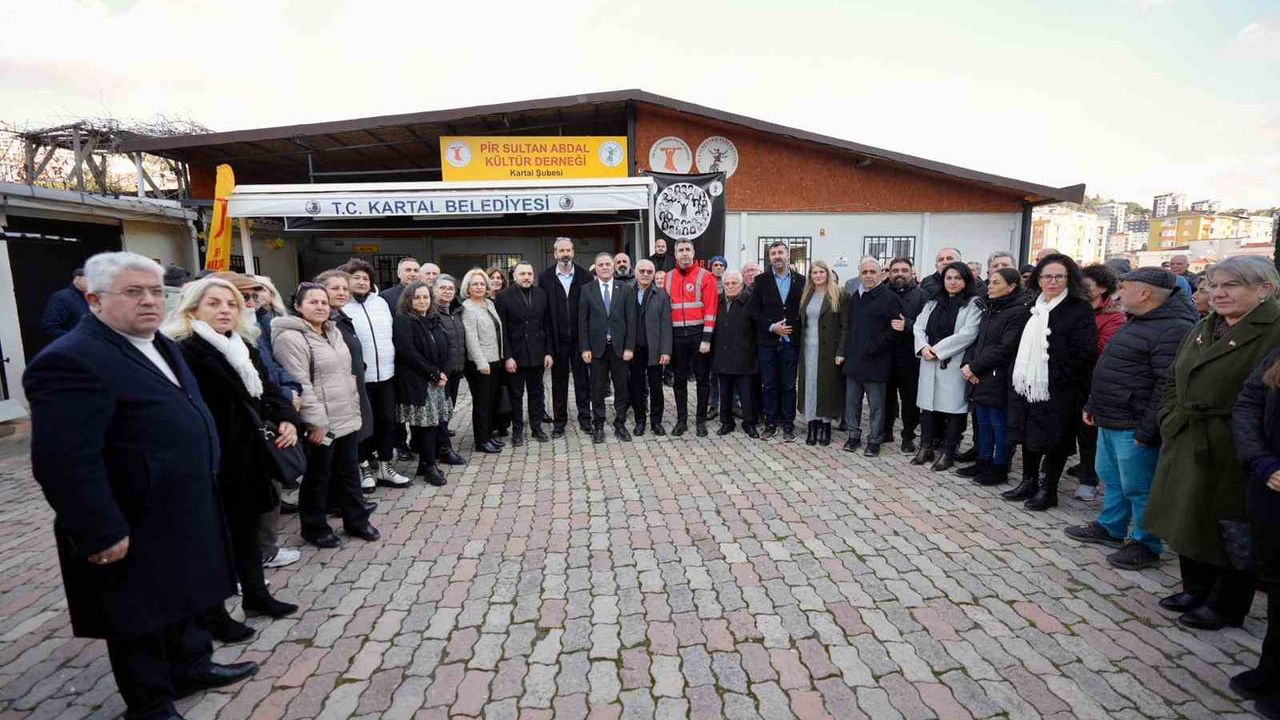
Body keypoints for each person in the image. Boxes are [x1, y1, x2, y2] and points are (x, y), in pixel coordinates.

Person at [24, 252, 258, 720]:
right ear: (94, 300)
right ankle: (150, 703)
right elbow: (64, 460)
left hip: (183, 503)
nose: (149, 301)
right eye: (133, 292)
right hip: (130, 513)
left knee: (186, 591)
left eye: (155, 291)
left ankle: (192, 665)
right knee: (138, 614)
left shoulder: (160, 344)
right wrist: (100, 530)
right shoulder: (70, 360)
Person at [1144, 256, 1280, 631]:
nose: (1218, 293)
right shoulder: (1206, 324)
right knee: (1187, 516)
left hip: (1235, 443)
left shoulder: (1273, 329)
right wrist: (1169, 416)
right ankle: (1196, 589)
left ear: (1264, 289)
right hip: (1188, 434)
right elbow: (1174, 376)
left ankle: (1227, 605)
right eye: (1213, 285)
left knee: (1229, 525)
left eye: (1231, 285)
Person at [163, 277, 303, 637]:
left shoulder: (241, 345)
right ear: (193, 309)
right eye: (214, 303)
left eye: (231, 304)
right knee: (213, 540)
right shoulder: (183, 350)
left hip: (247, 455)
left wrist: (287, 417)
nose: (225, 310)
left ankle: (256, 596)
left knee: (247, 531)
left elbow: (267, 388)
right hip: (211, 460)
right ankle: (214, 615)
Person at [1064, 268, 1196, 569]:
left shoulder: (1173, 328)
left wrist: (1148, 429)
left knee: (1139, 486)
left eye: (1124, 287)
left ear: (1145, 292)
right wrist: (1094, 403)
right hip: (1111, 415)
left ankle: (1146, 544)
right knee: (1112, 477)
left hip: (1135, 423)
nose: (1119, 293)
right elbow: (1111, 366)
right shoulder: (1139, 320)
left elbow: (1166, 385)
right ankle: (1111, 527)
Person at [273, 283, 381, 548]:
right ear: (298, 306)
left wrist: (355, 409)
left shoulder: (332, 331)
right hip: (321, 423)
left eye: (323, 302)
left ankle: (356, 520)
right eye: (313, 302)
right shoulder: (290, 338)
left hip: (346, 415)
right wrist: (316, 423)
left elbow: (347, 374)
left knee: (349, 472)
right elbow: (300, 383)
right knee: (318, 476)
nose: (320, 307)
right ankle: (314, 527)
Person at [1003, 254, 1098, 511]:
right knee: (1029, 435)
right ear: (1038, 279)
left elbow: (1085, 352)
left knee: (1056, 440)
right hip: (1029, 385)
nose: (1052, 281)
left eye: (1059, 276)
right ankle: (1029, 481)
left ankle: (1049, 489)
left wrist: (1057, 376)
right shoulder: (1033, 307)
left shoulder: (1079, 308)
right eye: (1047, 276)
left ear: (1069, 279)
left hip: (1061, 388)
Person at [1230, 347, 1280, 719]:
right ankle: (1271, 669)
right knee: (1276, 582)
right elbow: (1249, 401)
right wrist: (1261, 460)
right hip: (1270, 484)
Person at [338, 260, 410, 490]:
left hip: (386, 375)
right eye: (356, 277)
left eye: (365, 278)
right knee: (362, 425)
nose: (361, 282)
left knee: (387, 422)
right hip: (358, 379)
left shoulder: (380, 303)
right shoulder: (341, 307)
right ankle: (365, 466)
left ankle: (386, 466)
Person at [958, 267, 1030, 485]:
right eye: (990, 282)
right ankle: (983, 460)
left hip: (1000, 375)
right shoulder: (990, 308)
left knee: (999, 425)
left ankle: (1000, 467)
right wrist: (969, 366)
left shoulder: (1018, 312)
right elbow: (979, 342)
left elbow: (1005, 348)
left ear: (1011, 286)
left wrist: (974, 366)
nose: (990, 286)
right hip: (981, 373)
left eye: (996, 283)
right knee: (984, 422)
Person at [912, 261, 982, 470]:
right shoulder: (933, 302)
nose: (952, 282)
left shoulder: (973, 304)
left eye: (957, 278)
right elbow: (918, 326)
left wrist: (937, 350)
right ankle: (926, 447)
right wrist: (923, 347)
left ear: (966, 280)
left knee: (954, 409)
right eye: (948, 278)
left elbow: (968, 333)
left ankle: (948, 452)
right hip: (928, 361)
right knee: (927, 406)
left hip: (953, 362)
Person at [314, 270, 378, 495]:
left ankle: (347, 501)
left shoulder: (340, 318)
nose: (342, 292)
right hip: (333, 397)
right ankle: (337, 501)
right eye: (335, 288)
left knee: (346, 452)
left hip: (351, 390)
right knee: (332, 457)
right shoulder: (323, 322)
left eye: (344, 288)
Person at [1069, 264, 1128, 501]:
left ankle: (1088, 480)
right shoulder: (1074, 308)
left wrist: (1073, 339)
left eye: (1087, 285)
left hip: (1092, 382)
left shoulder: (1114, 317)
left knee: (1088, 433)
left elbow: (1102, 349)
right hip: (1068, 379)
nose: (1081, 289)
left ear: (1102, 288)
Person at [836, 258, 904, 456]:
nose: (868, 276)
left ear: (881, 274)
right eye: (864, 272)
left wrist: (874, 347)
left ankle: (875, 440)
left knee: (876, 405)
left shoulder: (890, 298)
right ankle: (853, 436)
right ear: (859, 274)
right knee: (852, 402)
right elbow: (849, 327)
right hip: (854, 360)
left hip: (877, 360)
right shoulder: (856, 297)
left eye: (872, 272)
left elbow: (895, 329)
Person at [391, 281, 453, 487]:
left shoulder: (434, 319)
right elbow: (409, 353)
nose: (422, 301)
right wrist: (434, 374)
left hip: (437, 380)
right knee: (426, 425)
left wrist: (444, 372)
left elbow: (447, 346)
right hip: (418, 381)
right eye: (417, 297)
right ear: (408, 300)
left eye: (426, 297)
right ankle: (429, 466)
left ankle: (425, 464)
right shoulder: (403, 321)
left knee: (435, 423)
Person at [748, 240, 805, 442]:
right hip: (768, 342)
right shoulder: (761, 280)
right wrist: (772, 327)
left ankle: (788, 425)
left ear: (788, 254)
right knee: (769, 384)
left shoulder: (801, 280)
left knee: (789, 385)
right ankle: (770, 423)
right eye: (773, 253)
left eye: (780, 252)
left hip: (791, 342)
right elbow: (753, 311)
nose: (777, 256)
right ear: (769, 257)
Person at [578, 253, 637, 443]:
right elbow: (582, 321)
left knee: (622, 388)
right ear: (595, 268)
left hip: (620, 349)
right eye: (601, 264)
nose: (604, 267)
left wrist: (629, 347)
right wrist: (585, 348)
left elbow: (631, 320)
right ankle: (598, 425)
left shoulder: (625, 289)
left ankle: (620, 424)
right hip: (596, 349)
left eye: (607, 264)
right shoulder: (587, 289)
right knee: (597, 389)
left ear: (613, 267)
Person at [539, 237, 593, 436]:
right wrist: (547, 348)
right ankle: (559, 422)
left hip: (580, 340)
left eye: (568, 250)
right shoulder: (545, 278)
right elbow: (544, 314)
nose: (565, 254)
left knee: (582, 381)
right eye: (561, 251)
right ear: (555, 254)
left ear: (573, 252)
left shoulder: (585, 276)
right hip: (557, 340)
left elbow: (590, 312)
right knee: (558, 383)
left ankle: (585, 419)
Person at [496, 262, 553, 445]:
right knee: (516, 395)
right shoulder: (503, 296)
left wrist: (548, 352)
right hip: (516, 355)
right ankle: (517, 431)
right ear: (514, 276)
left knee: (537, 393)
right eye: (522, 274)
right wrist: (507, 357)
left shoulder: (541, 294)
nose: (527, 277)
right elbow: (502, 330)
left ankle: (537, 428)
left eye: (529, 274)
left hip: (537, 353)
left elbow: (547, 325)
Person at [667, 238, 718, 436]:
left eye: (688, 249)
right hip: (676, 337)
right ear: (675, 254)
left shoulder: (705, 276)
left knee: (702, 380)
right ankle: (681, 421)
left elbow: (711, 309)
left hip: (698, 336)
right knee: (679, 381)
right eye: (681, 250)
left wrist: (706, 339)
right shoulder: (668, 278)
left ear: (694, 253)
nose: (684, 253)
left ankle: (700, 421)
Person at [797, 260, 847, 446]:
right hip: (808, 349)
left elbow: (845, 327)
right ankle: (812, 424)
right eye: (814, 272)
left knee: (827, 387)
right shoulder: (806, 295)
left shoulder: (840, 295)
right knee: (810, 385)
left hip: (828, 350)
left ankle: (826, 426)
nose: (818, 275)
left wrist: (841, 351)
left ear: (828, 274)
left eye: (821, 272)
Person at [884, 257, 929, 452]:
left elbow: (929, 325)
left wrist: (908, 325)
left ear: (911, 272)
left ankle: (908, 435)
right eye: (895, 270)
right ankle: (886, 431)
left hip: (910, 358)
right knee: (886, 397)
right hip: (885, 356)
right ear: (889, 273)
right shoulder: (882, 293)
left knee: (909, 399)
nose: (899, 274)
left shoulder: (922, 296)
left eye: (904, 270)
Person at [461, 268, 507, 453]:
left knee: (491, 402)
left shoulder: (488, 303)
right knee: (481, 404)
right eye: (475, 284)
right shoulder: (467, 308)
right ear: (468, 287)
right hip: (480, 364)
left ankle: (488, 435)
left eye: (482, 284)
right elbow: (471, 339)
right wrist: (481, 363)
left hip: (495, 360)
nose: (479, 287)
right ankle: (481, 441)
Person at [628, 259, 672, 435]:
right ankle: (640, 421)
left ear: (654, 274)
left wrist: (666, 351)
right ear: (636, 273)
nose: (645, 274)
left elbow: (666, 325)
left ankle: (656, 422)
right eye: (642, 271)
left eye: (649, 272)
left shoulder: (661, 295)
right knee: (636, 386)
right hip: (634, 349)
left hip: (654, 349)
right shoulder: (627, 292)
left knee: (656, 387)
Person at [713, 270, 758, 437]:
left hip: (744, 355)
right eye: (727, 283)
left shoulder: (750, 301)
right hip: (722, 355)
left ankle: (749, 423)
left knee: (746, 394)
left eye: (734, 283)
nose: (730, 286)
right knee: (725, 393)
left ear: (741, 285)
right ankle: (726, 422)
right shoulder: (717, 302)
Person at [40, 267, 90, 339]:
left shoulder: (91, 299)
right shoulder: (61, 297)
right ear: (78, 279)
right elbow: (49, 328)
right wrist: (77, 339)